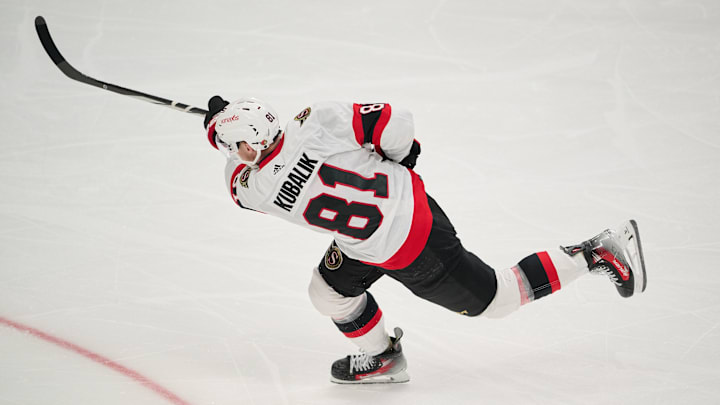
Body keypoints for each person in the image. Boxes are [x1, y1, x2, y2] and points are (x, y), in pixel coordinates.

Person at [202, 96, 647, 384]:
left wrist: (218, 123)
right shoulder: (314, 120)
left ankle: (595, 253)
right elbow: (393, 121)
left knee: (497, 298)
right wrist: (399, 155)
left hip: (413, 247)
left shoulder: (252, 189)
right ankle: (383, 358)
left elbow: (237, 173)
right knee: (327, 292)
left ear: (242, 149)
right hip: (382, 230)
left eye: (228, 145)